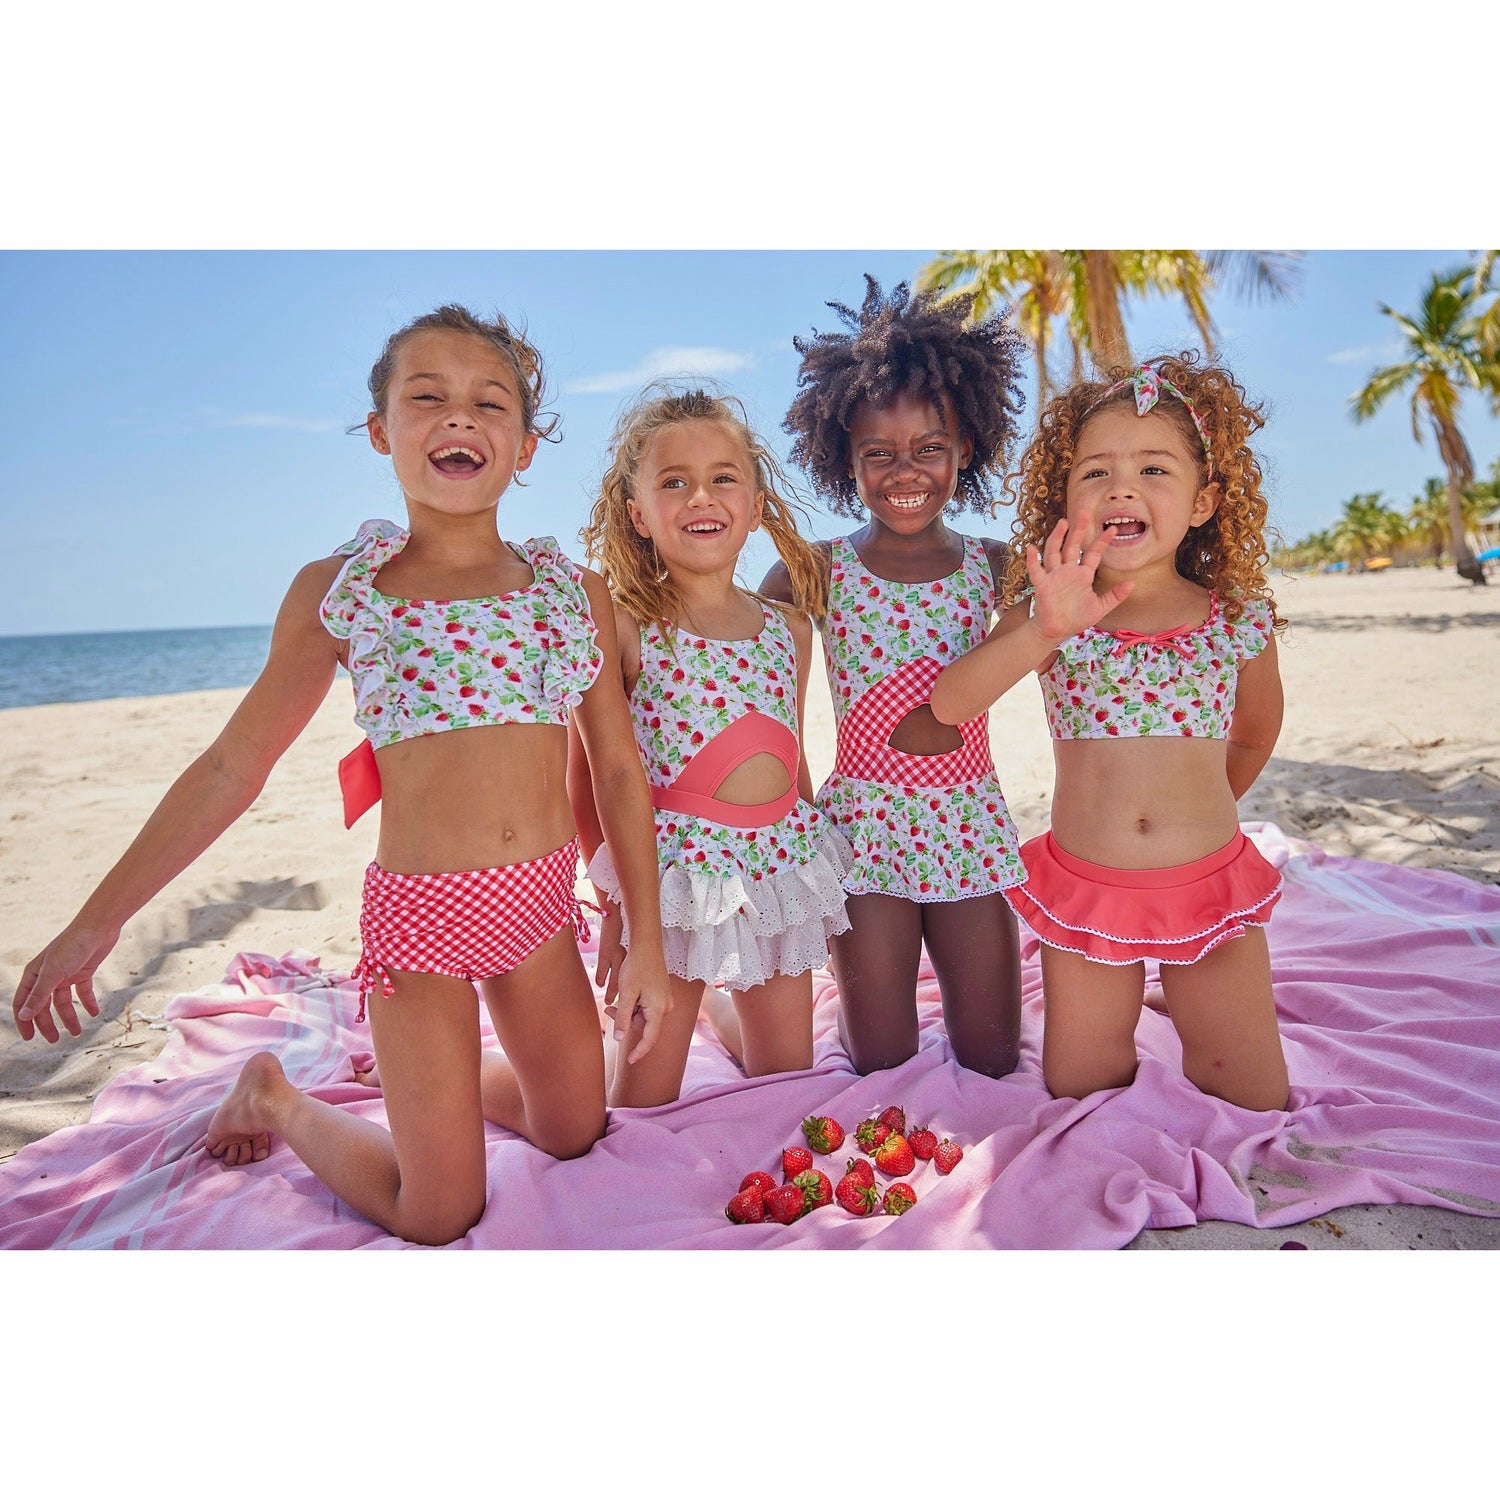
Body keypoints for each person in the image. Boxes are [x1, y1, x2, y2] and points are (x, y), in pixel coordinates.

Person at [10, 305, 671, 1244]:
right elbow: (232, 765)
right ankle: (276, 1097)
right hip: (420, 922)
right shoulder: (344, 590)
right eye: (427, 397)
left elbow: (617, 769)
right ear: (380, 431)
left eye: (489, 403)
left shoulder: (571, 593)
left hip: (538, 911)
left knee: (574, 1131)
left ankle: (432, 1090)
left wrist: (644, 939)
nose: (459, 416)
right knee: (439, 1213)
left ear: (525, 446)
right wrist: (98, 920)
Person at [930, 354, 1289, 1111]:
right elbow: (953, 703)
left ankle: (1183, 996)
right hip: (1087, 891)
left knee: (1251, 1093)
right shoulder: (1056, 613)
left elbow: (1255, 734)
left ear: (1203, 501)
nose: (1122, 488)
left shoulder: (1235, 618)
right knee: (1080, 1083)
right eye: (1096, 473)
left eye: (1154, 469)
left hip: (1209, 885)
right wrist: (1044, 627)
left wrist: (1196, 816)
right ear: (1065, 502)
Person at [765, 277, 1029, 1078]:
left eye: (929, 448)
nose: (904, 470)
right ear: (844, 460)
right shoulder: (813, 572)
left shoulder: (998, 568)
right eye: (877, 453)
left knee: (993, 1057)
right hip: (862, 831)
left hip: (968, 824)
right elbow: (754, 693)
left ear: (966, 449)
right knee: (880, 1059)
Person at [570, 385, 850, 1106]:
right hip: (671, 886)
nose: (701, 496)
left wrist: (812, 875)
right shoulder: (623, 627)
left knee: (787, 1084)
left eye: (723, 478)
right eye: (674, 482)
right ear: (638, 514)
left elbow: (789, 755)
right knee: (636, 1103)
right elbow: (591, 780)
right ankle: (487, 1087)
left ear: (755, 506)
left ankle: (720, 1016)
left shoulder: (790, 628)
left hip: (777, 868)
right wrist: (617, 910)